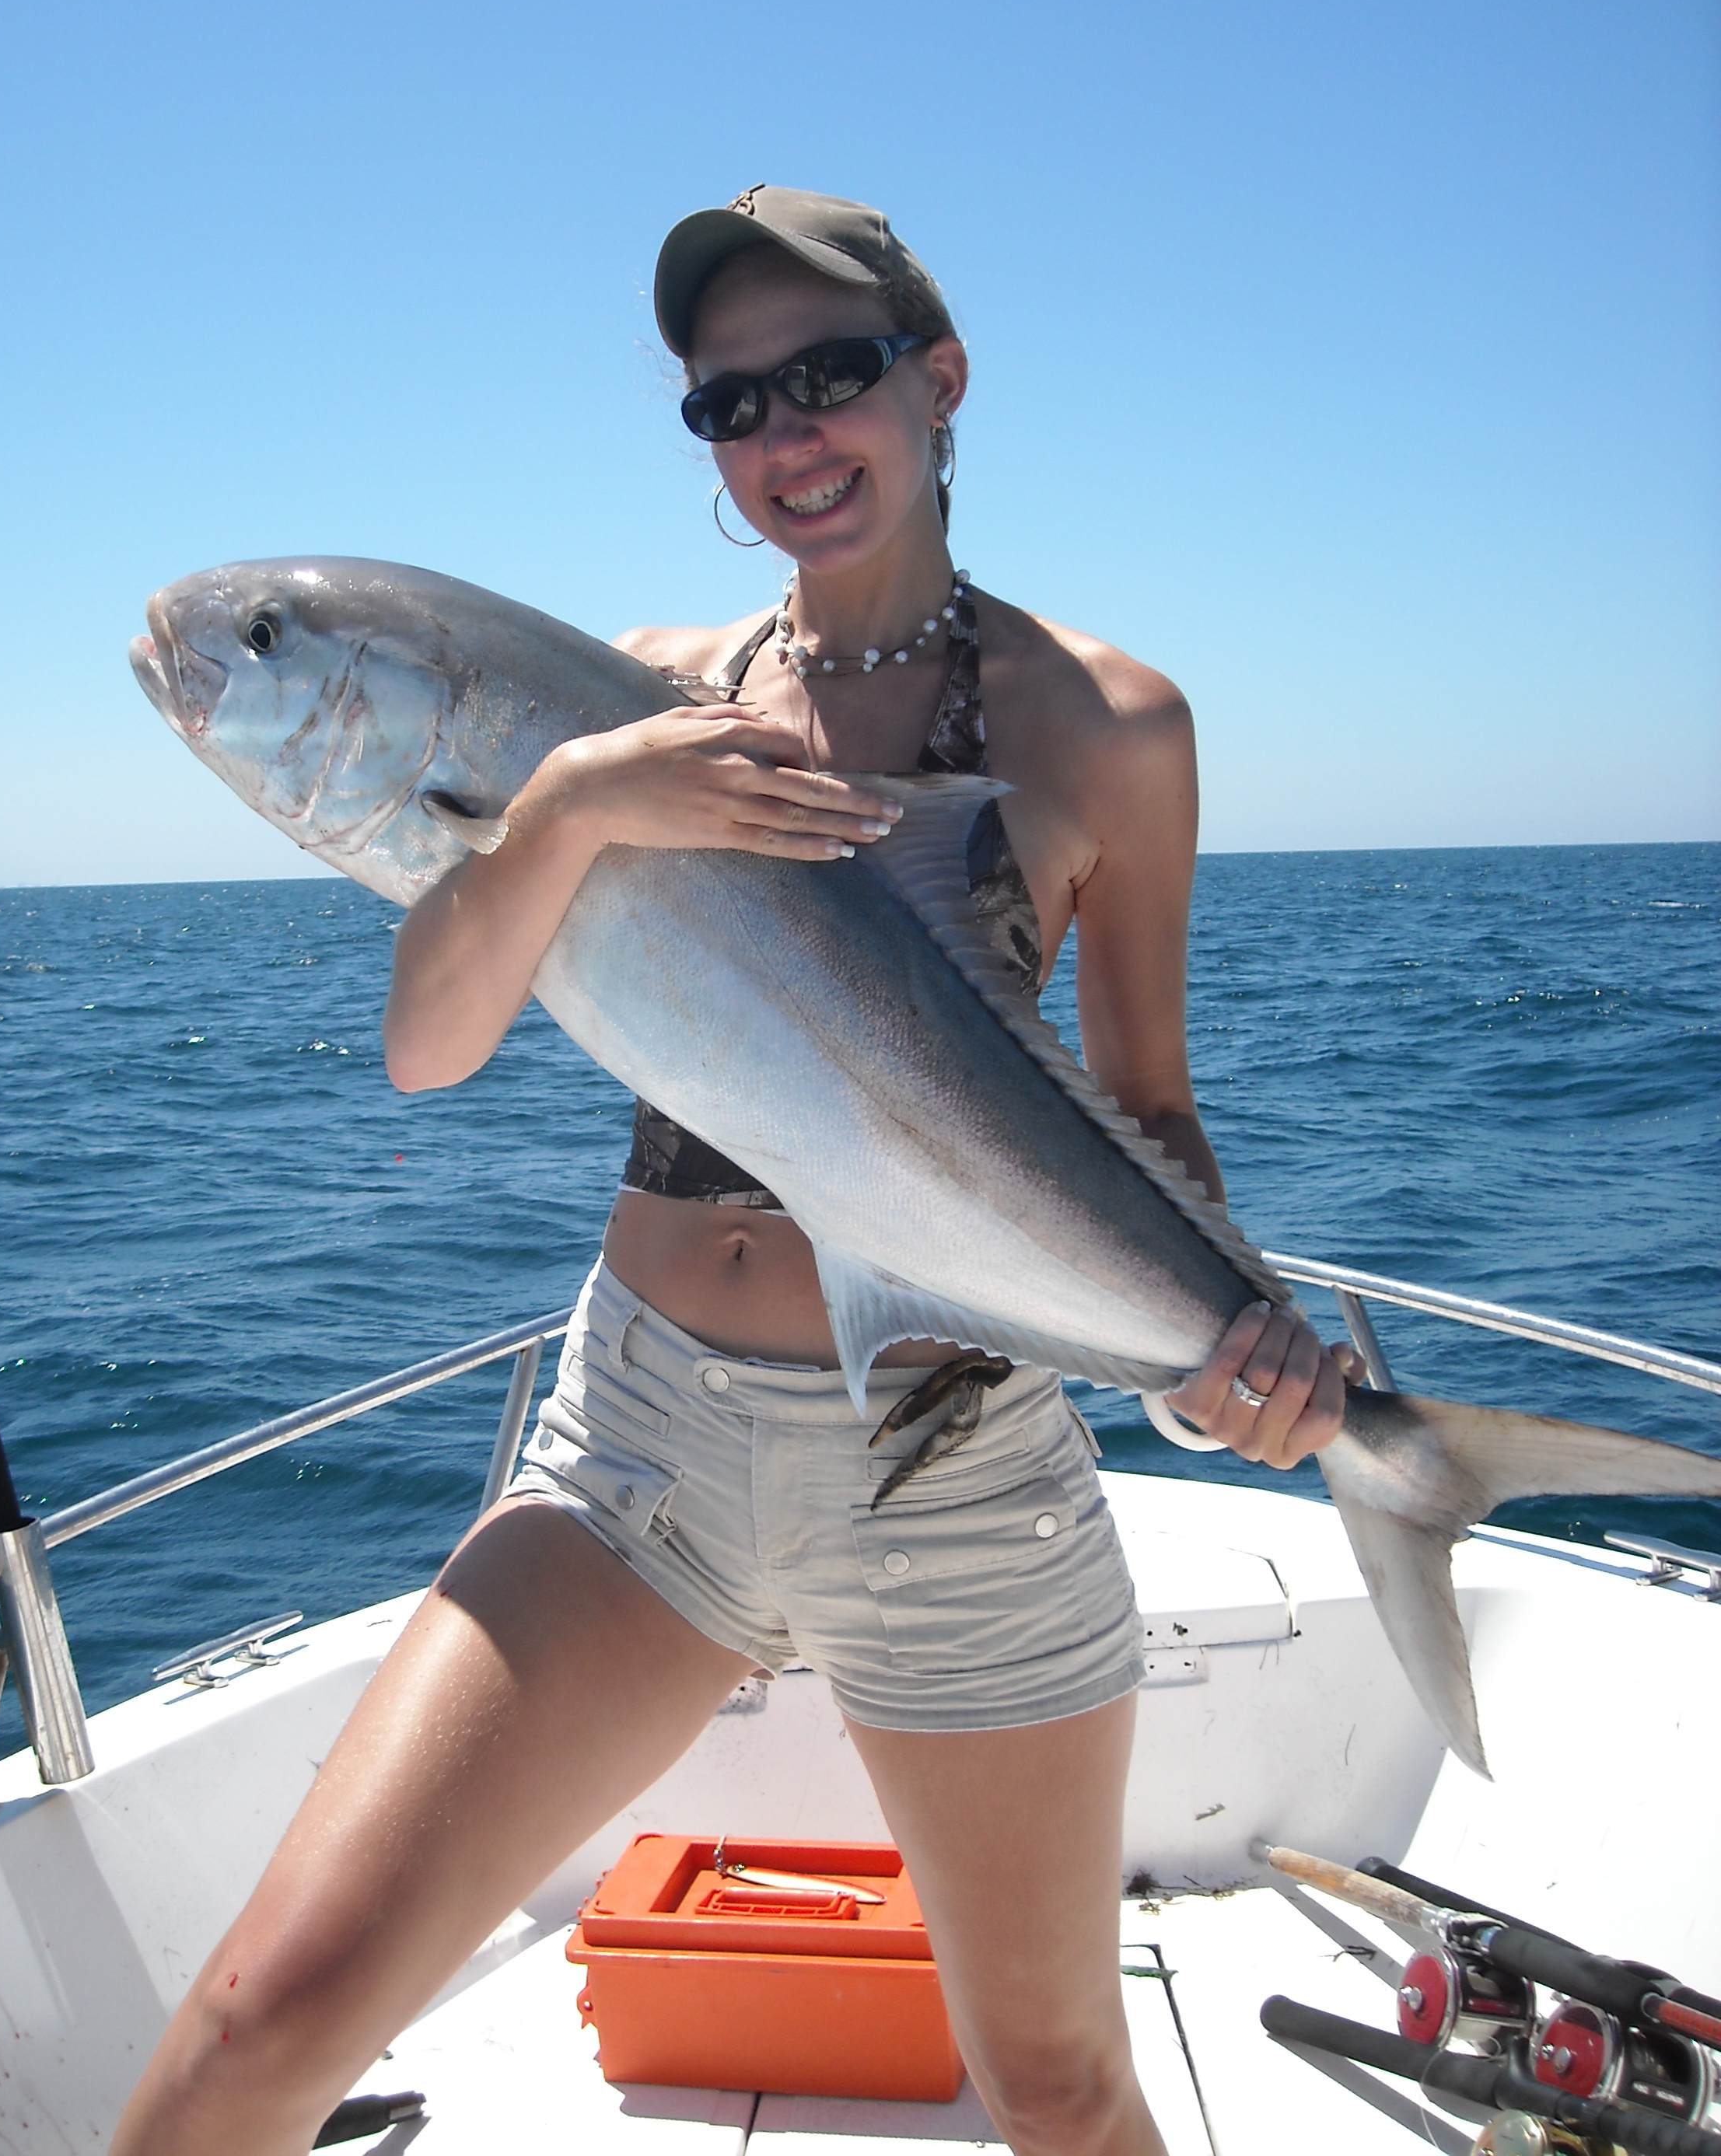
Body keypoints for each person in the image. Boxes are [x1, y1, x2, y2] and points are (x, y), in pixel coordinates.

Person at [112, 188, 1362, 2156]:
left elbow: (1150, 1112)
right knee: (264, 2019)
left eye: (828, 374)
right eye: (728, 404)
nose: (784, 434)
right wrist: (575, 805)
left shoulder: (1105, 725)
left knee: (1054, 2081)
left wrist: (1250, 1358)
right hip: (646, 1450)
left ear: (938, 382)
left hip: (967, 1470)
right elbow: (428, 1051)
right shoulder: (630, 692)